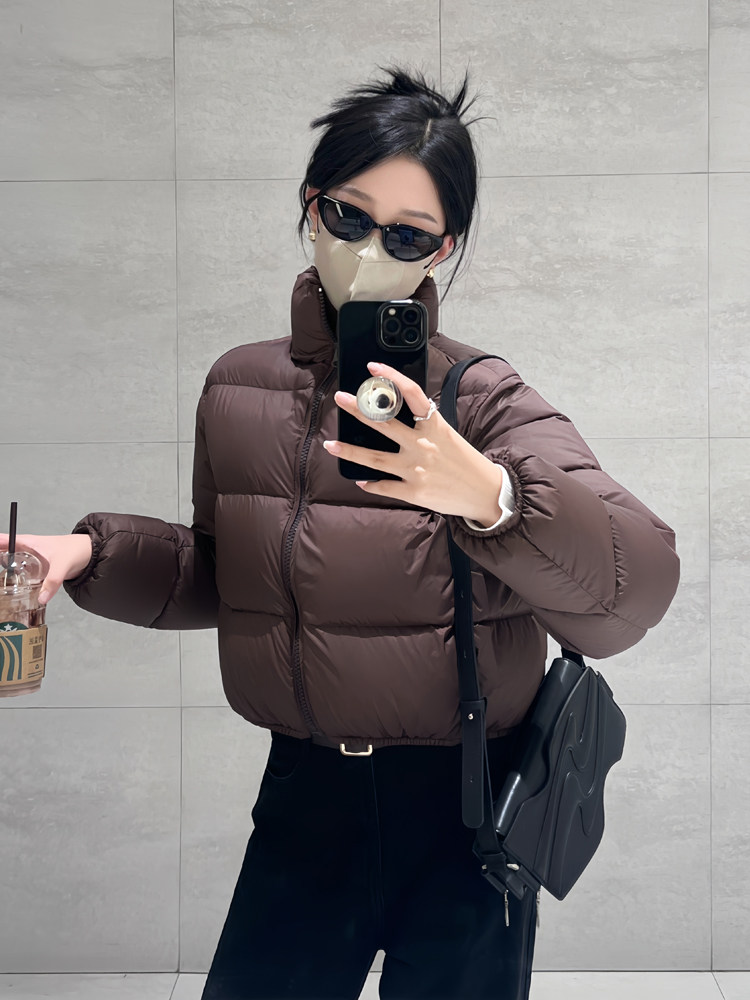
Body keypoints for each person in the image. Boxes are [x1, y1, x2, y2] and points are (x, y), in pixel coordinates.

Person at [3, 67, 680, 1000]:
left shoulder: (483, 398)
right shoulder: (238, 386)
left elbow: (638, 584)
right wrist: (87, 552)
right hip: (304, 796)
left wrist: (489, 493)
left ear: (443, 249)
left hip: (467, 804)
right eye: (350, 217)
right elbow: (221, 572)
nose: (369, 251)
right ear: (310, 205)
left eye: (406, 234)